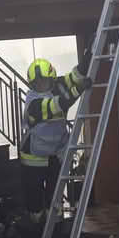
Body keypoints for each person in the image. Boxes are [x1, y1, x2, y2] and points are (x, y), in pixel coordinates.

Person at [18, 57, 92, 213]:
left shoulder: (57, 86)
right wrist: (78, 90)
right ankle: (38, 228)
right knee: (35, 203)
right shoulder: (34, 103)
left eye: (44, 81)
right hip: (34, 159)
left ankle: (55, 230)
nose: (41, 86)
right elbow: (57, 105)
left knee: (54, 200)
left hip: (55, 154)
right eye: (37, 83)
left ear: (51, 79)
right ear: (31, 84)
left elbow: (73, 77)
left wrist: (89, 55)